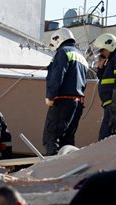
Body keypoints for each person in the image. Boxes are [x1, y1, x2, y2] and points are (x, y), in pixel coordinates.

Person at [42, 28, 89, 156]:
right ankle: (66, 168)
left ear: (58, 39)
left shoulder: (63, 52)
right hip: (77, 103)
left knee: (52, 137)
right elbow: (84, 82)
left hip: (62, 101)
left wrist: (50, 96)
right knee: (67, 140)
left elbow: (57, 75)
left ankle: (52, 169)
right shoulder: (82, 57)